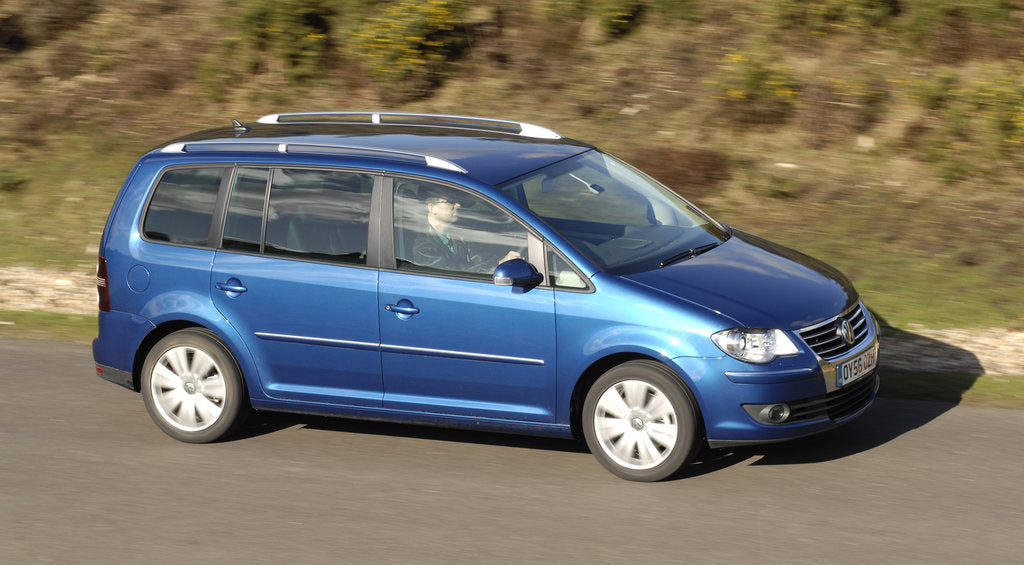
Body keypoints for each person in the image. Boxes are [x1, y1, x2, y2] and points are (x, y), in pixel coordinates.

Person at [412, 189, 522, 274]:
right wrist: (498, 265)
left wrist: (506, 261)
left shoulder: (457, 234)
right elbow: (455, 276)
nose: (458, 205)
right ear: (432, 208)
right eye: (451, 201)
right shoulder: (423, 248)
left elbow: (477, 257)